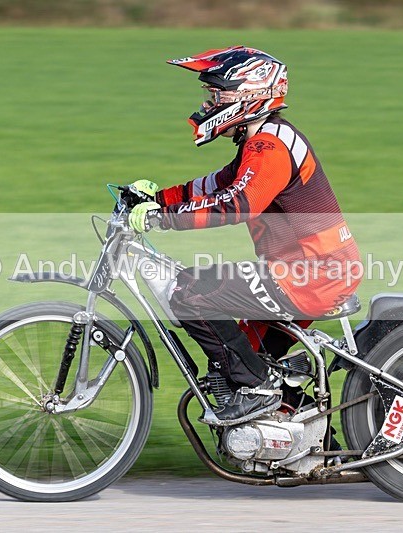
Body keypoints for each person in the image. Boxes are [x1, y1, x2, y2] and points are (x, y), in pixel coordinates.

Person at [127, 46, 361, 425]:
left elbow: (236, 204)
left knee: (188, 293)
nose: (209, 103)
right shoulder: (262, 140)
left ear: (250, 96)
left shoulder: (270, 146)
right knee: (248, 357)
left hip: (311, 276)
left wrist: (162, 218)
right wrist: (154, 198)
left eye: (218, 95)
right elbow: (212, 186)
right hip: (310, 271)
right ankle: (311, 444)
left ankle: (261, 390)